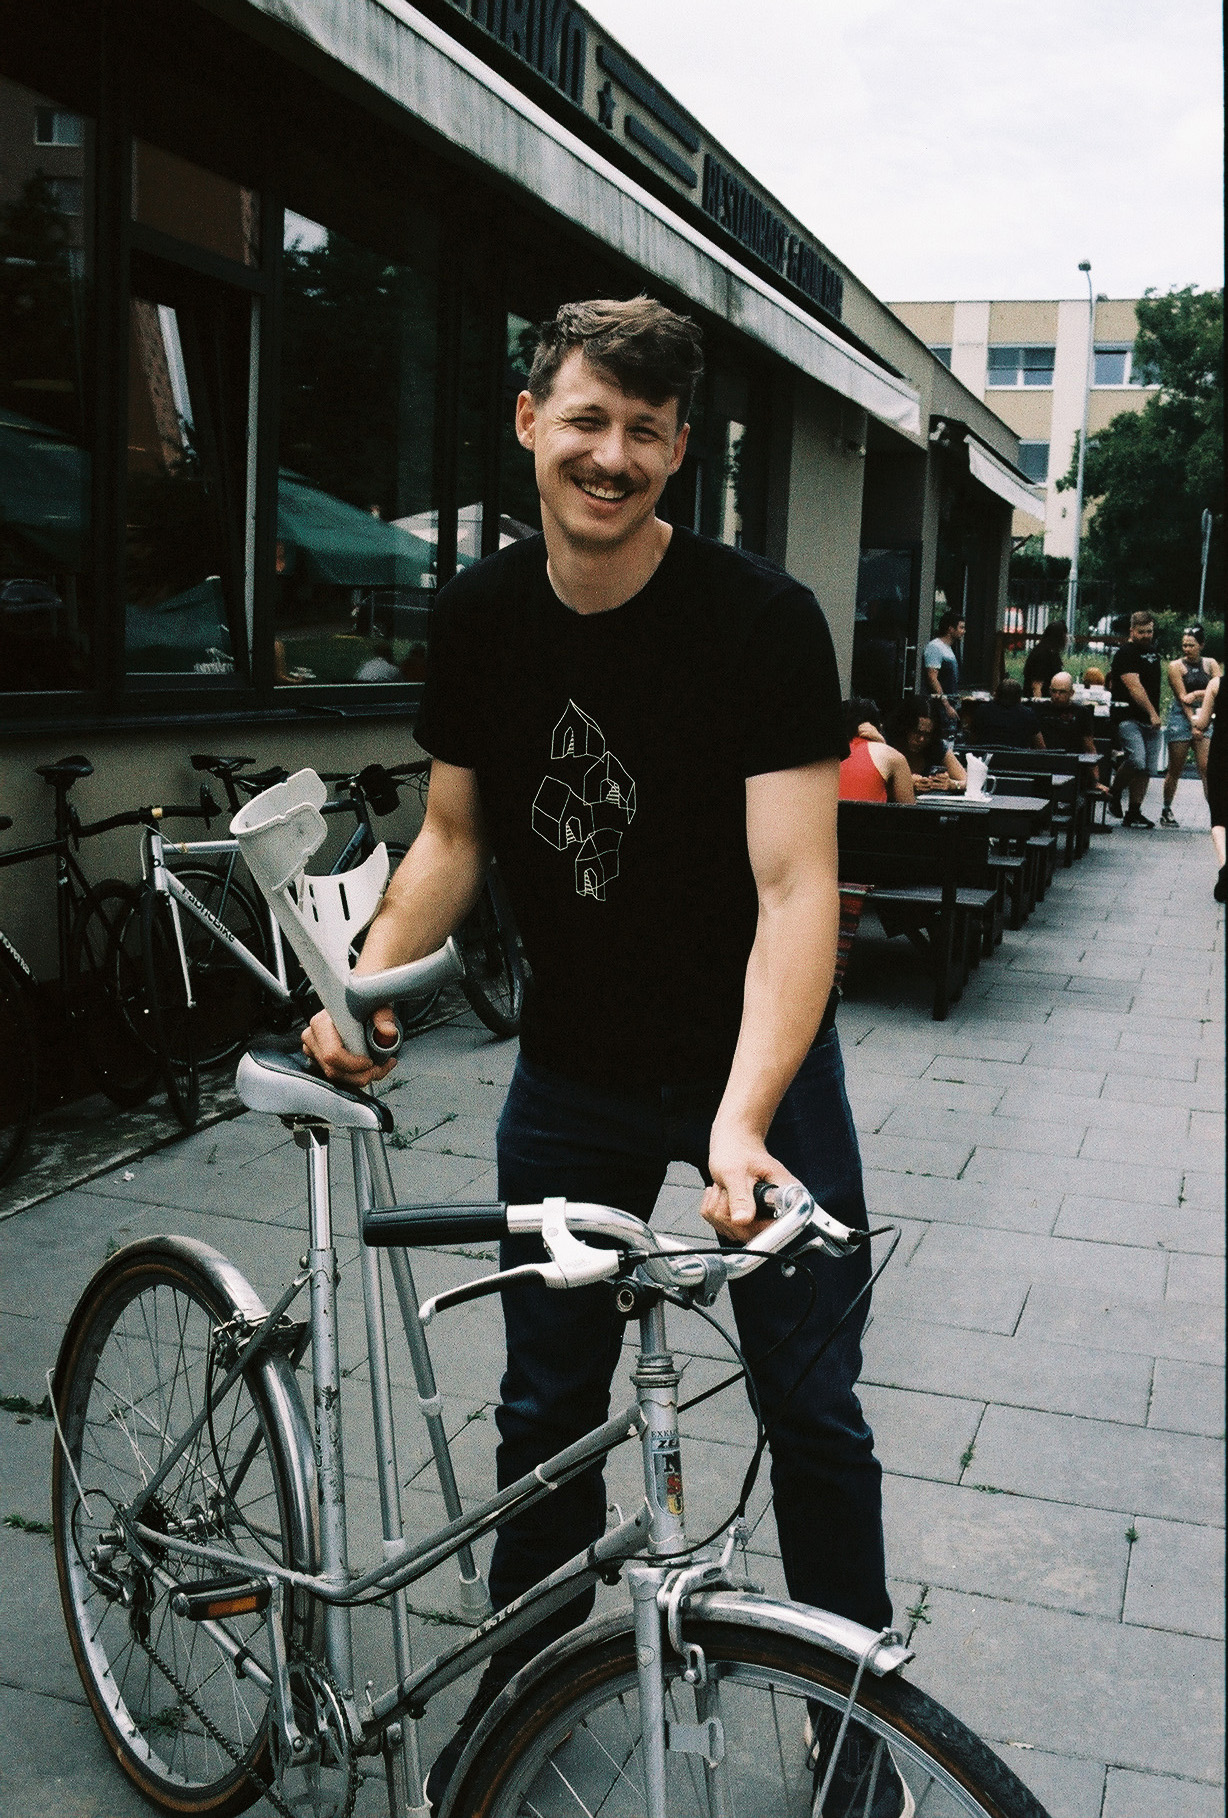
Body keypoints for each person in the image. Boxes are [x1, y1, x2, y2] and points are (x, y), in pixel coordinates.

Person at [301, 297, 906, 1818]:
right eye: (586, 419)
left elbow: (797, 892)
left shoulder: (759, 621)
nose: (611, 456)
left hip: (755, 1067)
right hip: (573, 1073)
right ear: (530, 422)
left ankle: (853, 1720)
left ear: (678, 451)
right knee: (546, 1410)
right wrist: (364, 985)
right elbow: (453, 837)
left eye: (645, 430)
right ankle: (517, 1695)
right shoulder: (484, 616)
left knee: (810, 1402)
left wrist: (743, 1119)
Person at [1160, 625, 1220, 827]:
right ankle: (1166, 808)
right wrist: (1194, 723)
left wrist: (1197, 695)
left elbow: (1218, 690)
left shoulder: (1211, 664)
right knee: (1175, 767)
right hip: (1181, 715)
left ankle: (1216, 812)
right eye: (1184, 645)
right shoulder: (1176, 666)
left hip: (1206, 713)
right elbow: (1182, 697)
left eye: (1191, 645)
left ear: (1201, 645)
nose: (1187, 649)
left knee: (1206, 767)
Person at [1108, 610, 1164, 828]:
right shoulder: (1125, 653)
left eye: (1149, 631)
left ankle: (1134, 811)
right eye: (1141, 632)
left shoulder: (1153, 652)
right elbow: (1135, 687)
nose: (1146, 636)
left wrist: (1153, 714)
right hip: (1128, 716)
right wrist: (1152, 713)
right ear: (1131, 631)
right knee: (1136, 760)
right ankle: (1114, 793)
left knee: (1147, 768)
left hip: (1150, 719)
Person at [1039, 671, 1107, 794]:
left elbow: (1089, 747)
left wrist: (1095, 780)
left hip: (1073, 766)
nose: (1056, 695)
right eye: (1053, 691)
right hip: (1045, 764)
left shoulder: (1082, 713)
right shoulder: (1039, 709)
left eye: (1062, 692)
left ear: (1071, 693)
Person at [838, 697, 916, 802]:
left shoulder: (827, 756)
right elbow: (909, 808)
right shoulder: (891, 755)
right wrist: (883, 743)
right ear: (878, 726)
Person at [886, 693, 967, 792]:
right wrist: (905, 783)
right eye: (917, 732)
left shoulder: (936, 746)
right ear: (904, 728)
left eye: (927, 735)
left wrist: (953, 784)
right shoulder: (886, 744)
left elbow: (967, 781)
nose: (921, 739)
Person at [1194, 675, 1227, 900]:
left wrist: (1197, 724)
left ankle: (1225, 866)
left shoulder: (1216, 684)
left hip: (1221, 755)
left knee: (1219, 816)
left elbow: (1203, 723)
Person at [922, 610, 964, 744]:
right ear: (950, 629)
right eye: (961, 627)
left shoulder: (948, 648)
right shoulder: (935, 647)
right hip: (939, 706)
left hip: (949, 703)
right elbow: (932, 677)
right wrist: (946, 705)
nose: (963, 631)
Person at [969, 677, 1046, 748]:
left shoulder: (983, 711)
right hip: (1018, 757)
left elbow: (971, 741)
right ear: (1019, 698)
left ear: (996, 695)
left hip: (988, 756)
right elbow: (1041, 746)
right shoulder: (1028, 715)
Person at [1023, 620, 1068, 697]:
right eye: (1065, 635)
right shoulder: (1043, 653)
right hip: (1040, 698)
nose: (1066, 638)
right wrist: (1039, 701)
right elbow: (1036, 684)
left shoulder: (1050, 651)